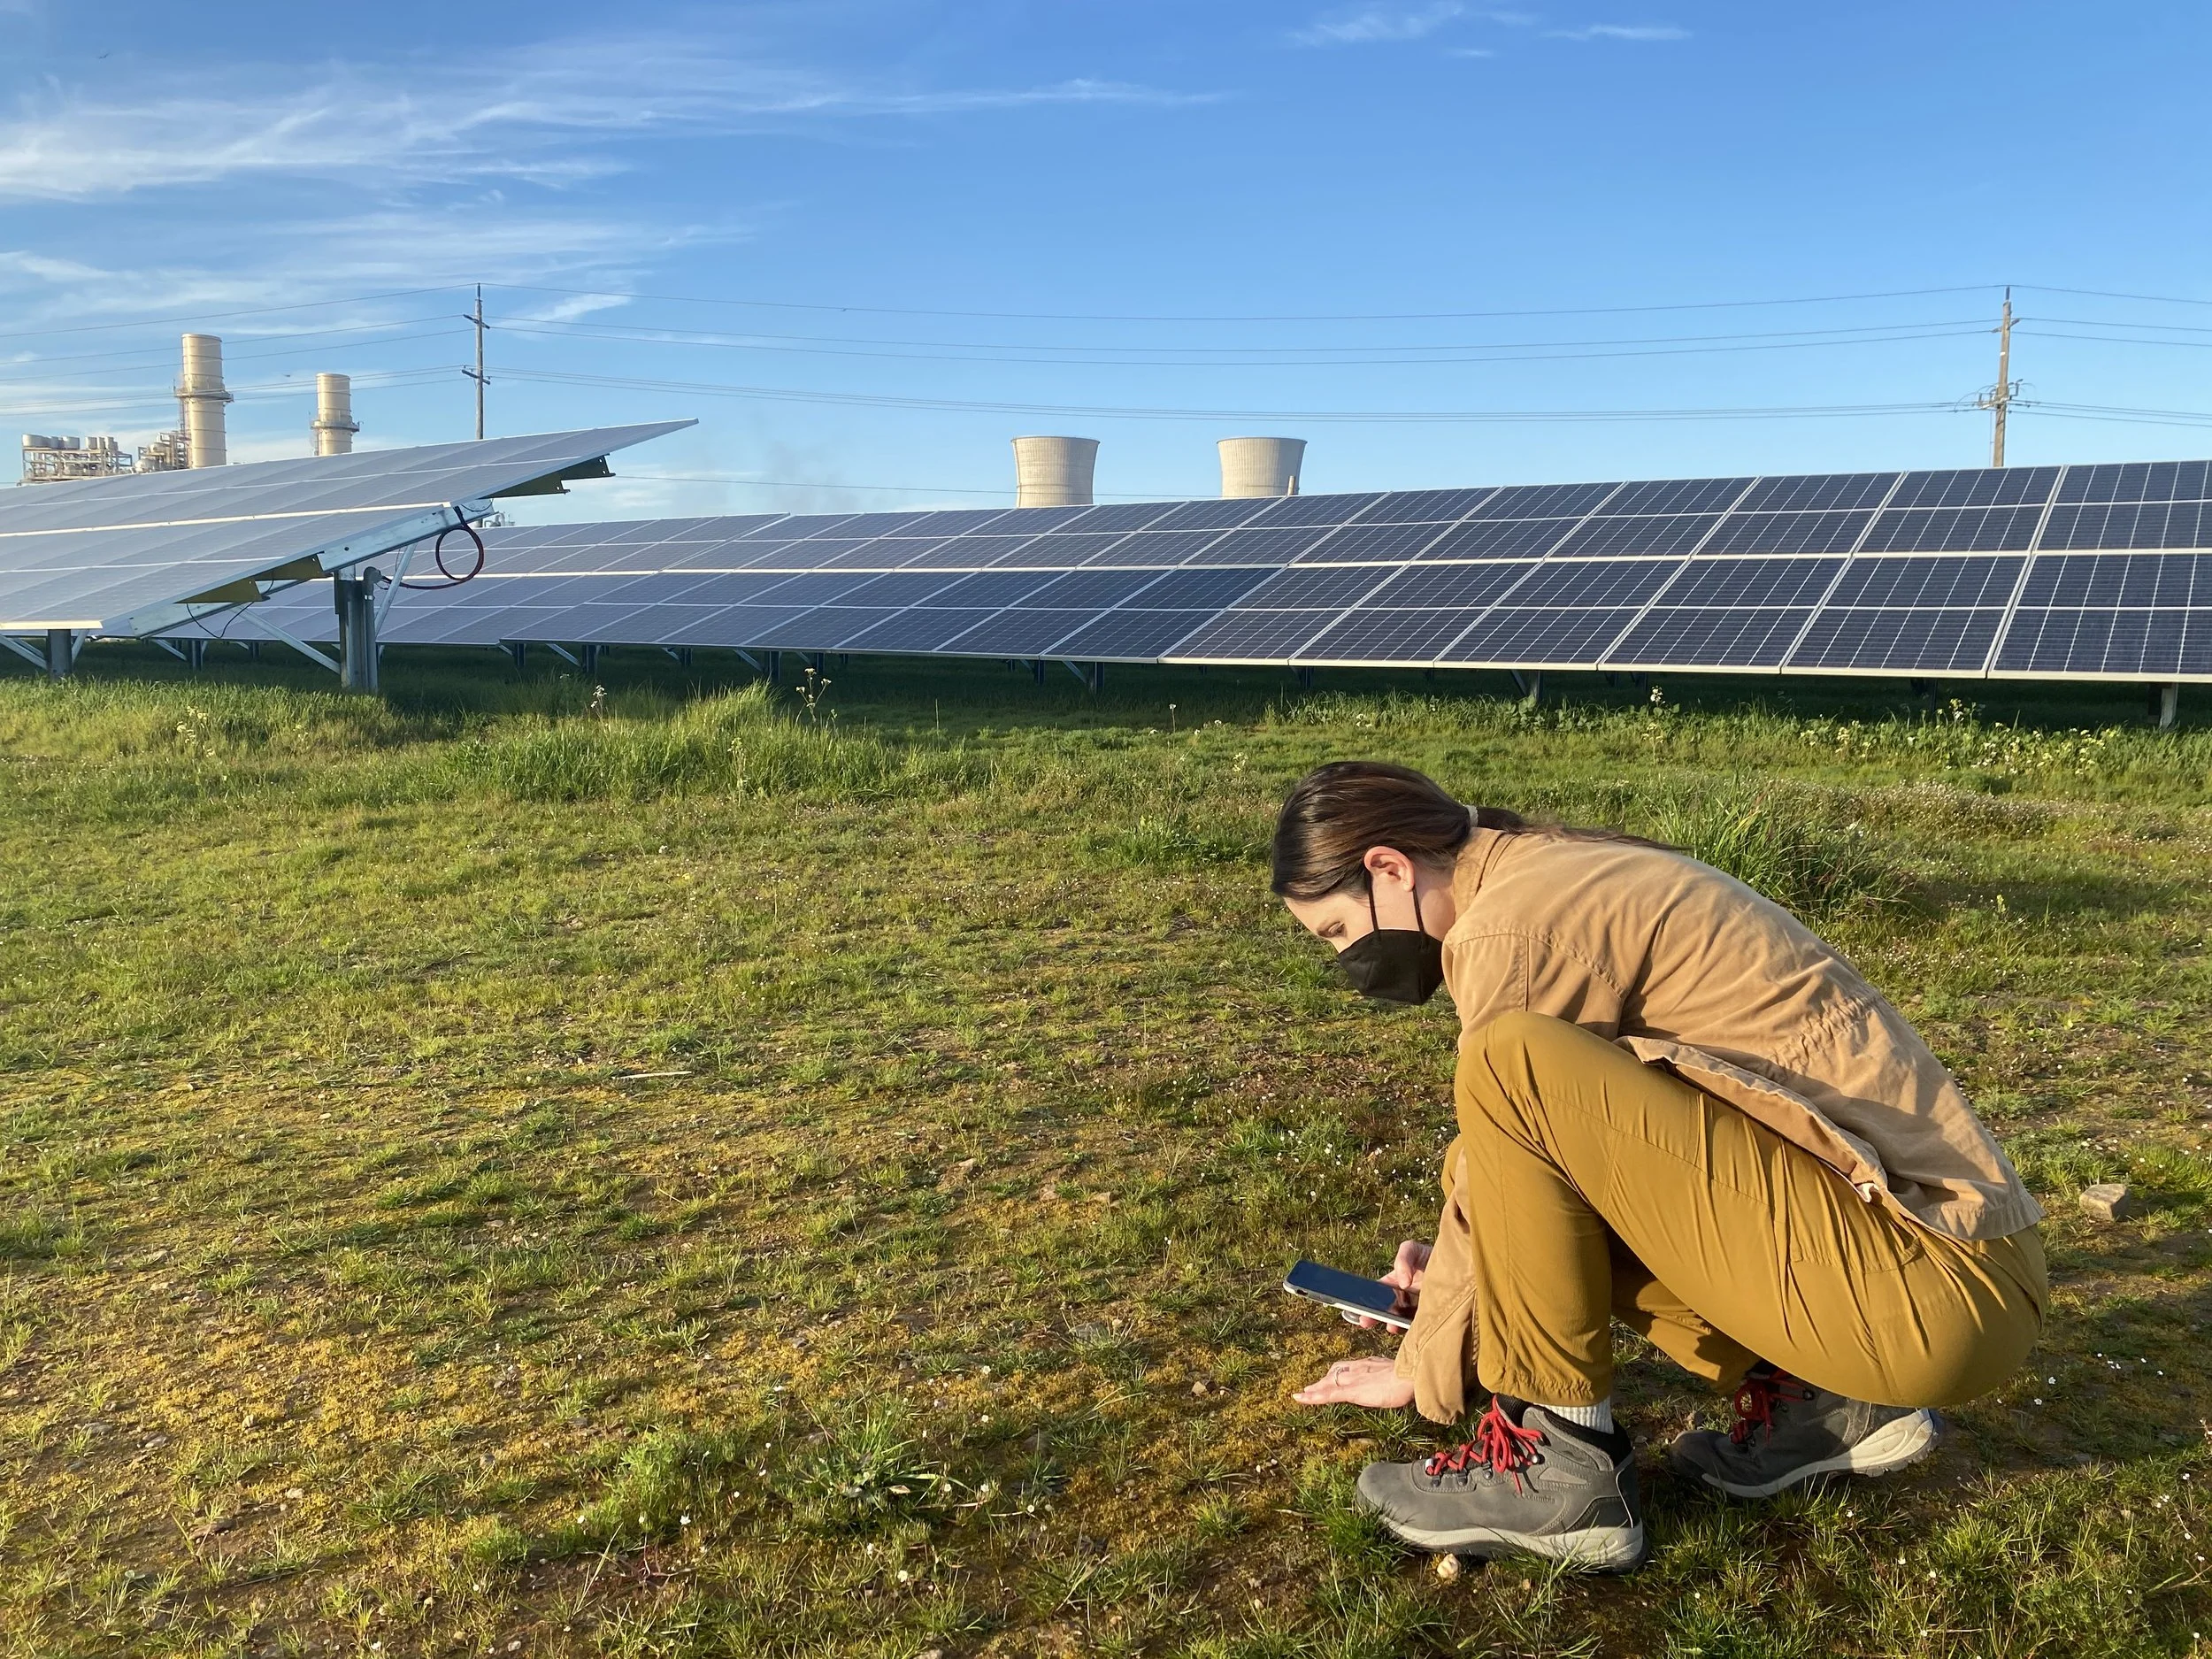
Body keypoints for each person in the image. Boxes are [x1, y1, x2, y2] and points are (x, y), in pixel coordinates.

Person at [1275, 761, 2046, 1572]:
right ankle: (1823, 1404)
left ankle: (1560, 1463)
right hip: (1950, 1277)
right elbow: (1546, 1168)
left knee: (1506, 1067)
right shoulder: (1552, 868)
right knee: (1508, 1132)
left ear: (1388, 868)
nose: (1347, 961)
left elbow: (1510, 1121)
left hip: (1928, 1291)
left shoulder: (1512, 925)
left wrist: (1421, 1362)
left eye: (1335, 932)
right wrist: (1473, 1283)